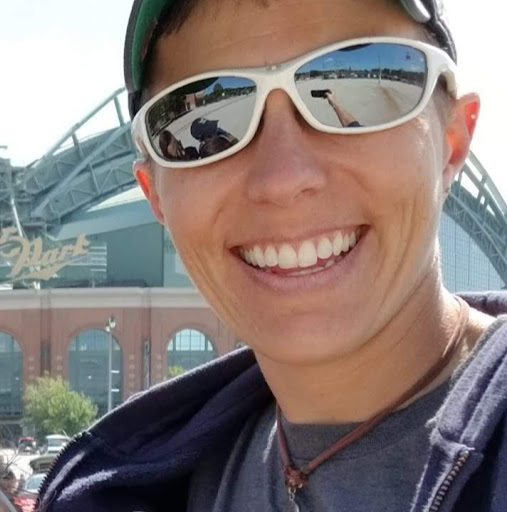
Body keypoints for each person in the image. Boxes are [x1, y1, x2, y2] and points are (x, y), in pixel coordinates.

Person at [37, 0, 507, 511]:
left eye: (355, 84)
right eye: (200, 121)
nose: (283, 179)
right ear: (156, 195)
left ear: (453, 141)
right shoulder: (114, 491)